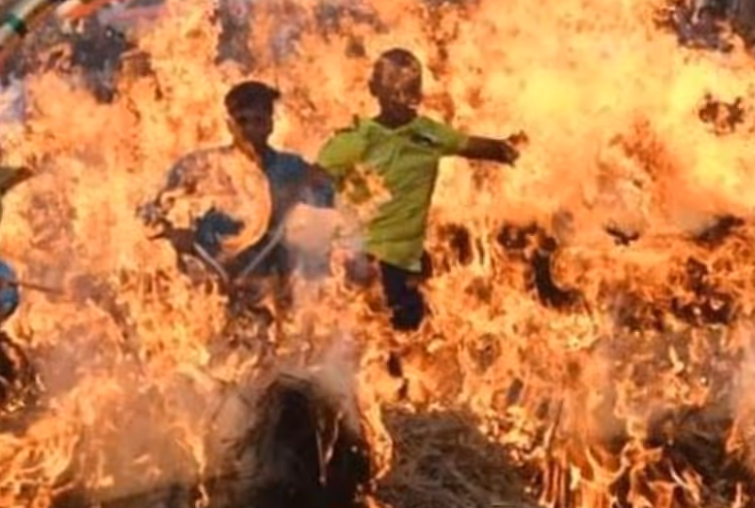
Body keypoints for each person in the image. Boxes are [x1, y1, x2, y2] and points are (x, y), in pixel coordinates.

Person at [316, 48, 520, 336]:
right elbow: (312, 181)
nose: (403, 99)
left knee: (410, 336)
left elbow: (480, 147)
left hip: (404, 264)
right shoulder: (356, 138)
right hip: (362, 260)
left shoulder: (428, 133)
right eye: (394, 91)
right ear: (374, 90)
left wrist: (511, 148)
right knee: (371, 334)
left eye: (410, 90)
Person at [141, 81, 334, 321]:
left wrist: (330, 176)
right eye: (242, 121)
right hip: (211, 284)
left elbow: (337, 203)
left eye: (258, 121)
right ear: (230, 125)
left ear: (271, 124)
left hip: (271, 286)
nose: (250, 128)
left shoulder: (291, 168)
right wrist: (175, 232)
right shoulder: (201, 167)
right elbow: (150, 214)